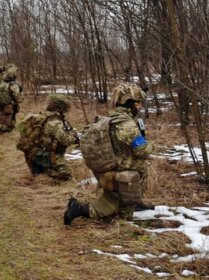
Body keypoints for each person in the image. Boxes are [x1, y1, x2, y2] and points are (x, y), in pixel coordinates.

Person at [64, 83, 155, 225]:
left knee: (117, 202)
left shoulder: (111, 119)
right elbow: (142, 150)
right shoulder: (127, 125)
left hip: (110, 167)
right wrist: (151, 145)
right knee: (119, 216)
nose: (140, 107)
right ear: (130, 103)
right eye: (138, 104)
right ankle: (79, 209)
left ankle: (133, 202)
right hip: (122, 170)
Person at [18, 95, 78, 180]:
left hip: (32, 158)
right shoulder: (54, 122)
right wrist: (74, 134)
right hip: (46, 158)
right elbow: (66, 140)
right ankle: (48, 172)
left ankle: (38, 172)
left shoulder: (40, 117)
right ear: (61, 108)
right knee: (67, 176)